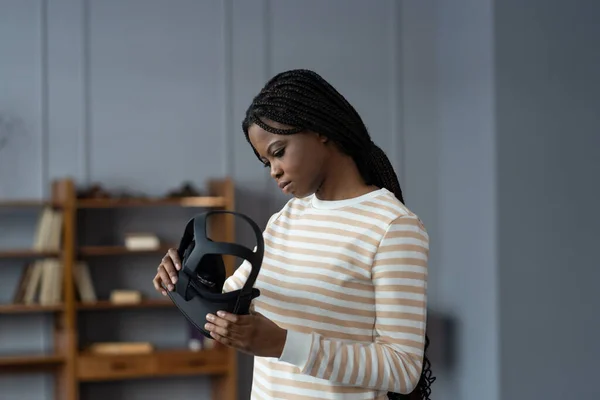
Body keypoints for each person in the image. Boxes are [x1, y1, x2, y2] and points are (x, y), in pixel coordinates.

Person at [153, 69, 435, 400]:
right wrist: (184, 281)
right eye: (265, 162)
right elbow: (225, 312)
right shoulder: (286, 219)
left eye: (278, 151)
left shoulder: (393, 226)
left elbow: (402, 369)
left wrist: (283, 344)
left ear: (320, 131)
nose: (274, 170)